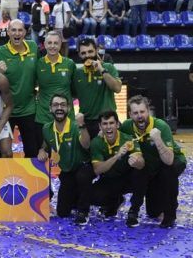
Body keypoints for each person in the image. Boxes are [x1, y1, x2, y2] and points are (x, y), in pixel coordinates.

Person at [120, 95, 187, 228]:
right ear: (130, 115)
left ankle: (170, 215)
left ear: (148, 112)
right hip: (151, 166)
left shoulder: (161, 126)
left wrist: (157, 139)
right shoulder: (127, 126)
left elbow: (169, 160)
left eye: (142, 112)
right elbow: (115, 135)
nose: (140, 116)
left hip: (172, 161)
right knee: (153, 212)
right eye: (136, 113)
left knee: (168, 173)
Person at [38, 94, 93, 225]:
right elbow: (46, 143)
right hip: (67, 172)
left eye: (63, 105)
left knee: (82, 176)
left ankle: (83, 211)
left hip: (82, 168)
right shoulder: (46, 128)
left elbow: (86, 145)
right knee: (62, 212)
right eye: (56, 105)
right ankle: (75, 198)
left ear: (69, 108)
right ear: (50, 109)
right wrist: (42, 150)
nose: (59, 108)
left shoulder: (75, 126)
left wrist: (82, 126)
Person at [0, 19, 39, 158]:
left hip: (29, 109)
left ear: (25, 32)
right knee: (3, 153)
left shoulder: (33, 47)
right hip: (6, 111)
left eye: (20, 30)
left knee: (32, 152)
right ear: (8, 32)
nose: (17, 33)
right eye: (13, 30)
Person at [90, 110, 146, 226]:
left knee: (141, 174)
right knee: (92, 197)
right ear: (100, 126)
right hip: (109, 180)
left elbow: (141, 164)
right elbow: (97, 170)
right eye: (105, 124)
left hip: (127, 180)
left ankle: (133, 211)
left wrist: (137, 161)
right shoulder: (96, 142)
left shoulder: (128, 140)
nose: (108, 127)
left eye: (111, 123)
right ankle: (115, 202)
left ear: (117, 125)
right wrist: (117, 156)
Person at [73, 37, 121, 139]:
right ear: (79, 55)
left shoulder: (108, 67)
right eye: (83, 53)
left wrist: (101, 69)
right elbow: (71, 95)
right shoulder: (77, 73)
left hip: (106, 121)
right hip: (86, 122)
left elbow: (117, 88)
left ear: (96, 51)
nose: (87, 56)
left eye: (90, 51)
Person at [35, 30, 76, 132]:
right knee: (43, 148)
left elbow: (75, 90)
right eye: (49, 43)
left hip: (66, 117)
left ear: (60, 44)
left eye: (55, 43)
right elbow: (31, 85)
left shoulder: (69, 64)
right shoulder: (38, 64)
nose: (52, 46)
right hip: (43, 117)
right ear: (44, 44)